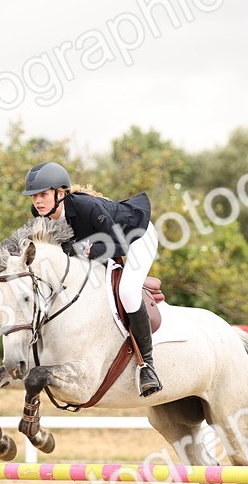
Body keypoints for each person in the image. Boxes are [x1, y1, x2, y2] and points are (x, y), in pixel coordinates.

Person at [22, 161, 163, 397]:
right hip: (102, 244)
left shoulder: (86, 207)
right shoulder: (41, 213)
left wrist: (82, 249)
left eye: (43, 194)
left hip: (138, 236)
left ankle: (147, 366)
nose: (37, 201)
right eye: (34, 196)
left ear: (60, 193)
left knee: (128, 291)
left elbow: (120, 246)